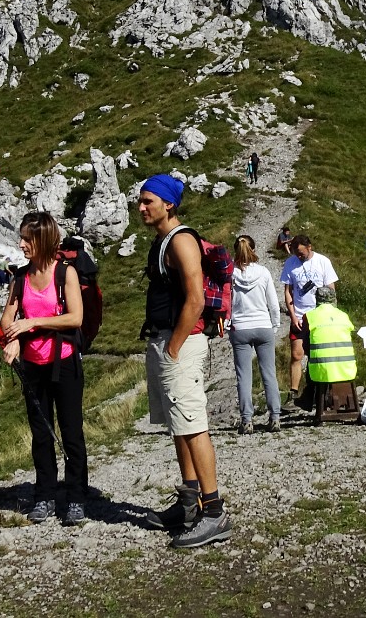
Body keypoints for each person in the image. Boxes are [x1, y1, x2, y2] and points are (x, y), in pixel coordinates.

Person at [136, 174, 233, 548]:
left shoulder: (181, 241)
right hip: (164, 341)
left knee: (193, 426)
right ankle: (189, 503)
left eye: (148, 201)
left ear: (168, 204)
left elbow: (194, 299)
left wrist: (175, 347)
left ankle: (214, 513)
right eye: (141, 201)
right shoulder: (162, 241)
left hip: (181, 345)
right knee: (179, 426)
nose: (142, 208)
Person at [0, 212, 89, 526]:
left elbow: (75, 317)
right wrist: (14, 340)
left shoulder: (65, 274)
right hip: (33, 367)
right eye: (22, 238)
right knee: (41, 435)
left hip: (63, 363)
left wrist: (32, 323)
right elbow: (6, 321)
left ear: (44, 240)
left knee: (71, 432)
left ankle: (77, 497)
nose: (22, 244)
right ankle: (45, 496)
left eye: (28, 239)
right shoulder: (21, 278)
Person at [230, 234, 281, 434]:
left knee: (244, 376)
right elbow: (273, 304)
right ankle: (275, 417)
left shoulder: (230, 274)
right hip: (263, 326)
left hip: (240, 328)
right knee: (269, 374)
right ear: (254, 249)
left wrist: (227, 325)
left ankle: (247, 420)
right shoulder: (263, 272)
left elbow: (227, 303)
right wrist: (274, 326)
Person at [279, 235, 338, 407]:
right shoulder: (290, 264)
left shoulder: (323, 262)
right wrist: (293, 315)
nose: (299, 256)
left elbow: (331, 288)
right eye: (297, 253)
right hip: (299, 314)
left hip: (319, 316)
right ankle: (293, 392)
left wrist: (330, 314)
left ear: (309, 247)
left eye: (302, 253)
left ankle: (321, 392)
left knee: (318, 354)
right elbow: (288, 291)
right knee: (296, 354)